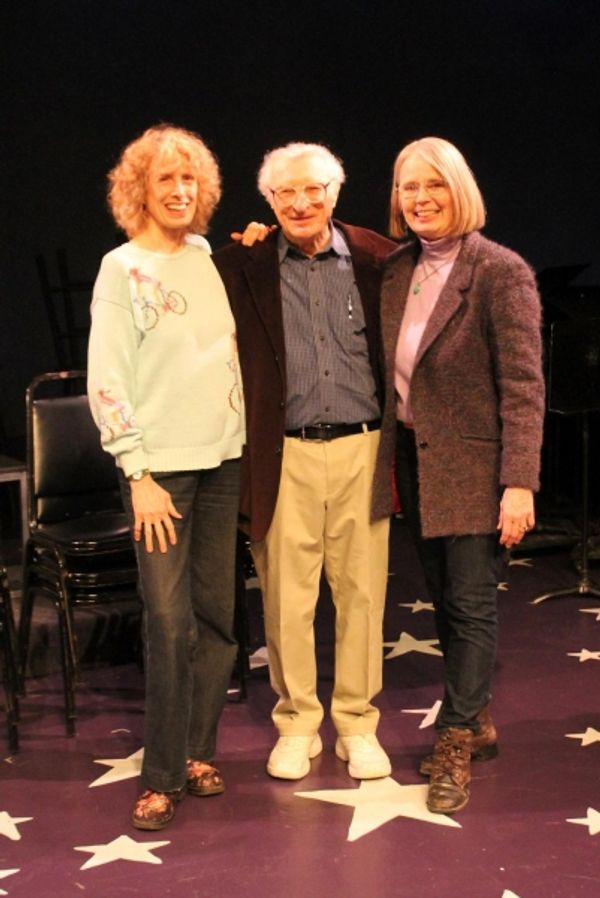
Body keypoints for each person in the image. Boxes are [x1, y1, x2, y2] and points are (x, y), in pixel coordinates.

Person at [214, 142, 397, 781]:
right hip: (282, 453)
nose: (299, 203)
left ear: (335, 194)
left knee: (362, 595)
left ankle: (356, 723)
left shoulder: (378, 258)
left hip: (364, 448)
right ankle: (297, 724)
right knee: (288, 601)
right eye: (284, 193)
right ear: (267, 201)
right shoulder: (242, 265)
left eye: (312, 190)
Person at [374, 136, 545, 813]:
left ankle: (455, 736)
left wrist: (520, 481)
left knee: (470, 601)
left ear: (459, 189)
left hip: (477, 464)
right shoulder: (395, 270)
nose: (420, 199)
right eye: (409, 187)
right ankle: (475, 717)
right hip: (416, 459)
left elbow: (525, 386)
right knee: (445, 596)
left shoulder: (500, 272)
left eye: (434, 186)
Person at [87, 124, 245, 830]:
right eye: (164, 181)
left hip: (223, 462)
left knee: (217, 618)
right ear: (140, 192)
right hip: (161, 476)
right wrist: (137, 471)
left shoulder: (208, 258)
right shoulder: (121, 269)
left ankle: (197, 751)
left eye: (190, 181)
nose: (179, 192)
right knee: (168, 620)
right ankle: (160, 774)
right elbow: (107, 378)